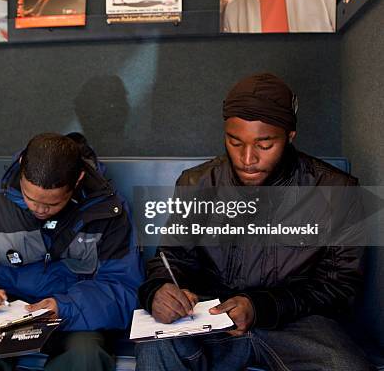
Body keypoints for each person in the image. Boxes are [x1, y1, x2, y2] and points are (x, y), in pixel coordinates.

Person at [136, 73, 370, 371]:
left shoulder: (337, 191)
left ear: (289, 136)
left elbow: (340, 287)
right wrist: (157, 289)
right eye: (235, 142)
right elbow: (171, 259)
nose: (247, 158)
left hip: (296, 322)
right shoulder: (196, 183)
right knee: (155, 344)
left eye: (265, 144)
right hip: (212, 317)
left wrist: (261, 306)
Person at [0, 132, 143, 371]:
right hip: (5, 315)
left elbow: (125, 288)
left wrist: (65, 307)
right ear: (22, 167)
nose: (40, 210)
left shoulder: (108, 210)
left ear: (78, 180)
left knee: (84, 358)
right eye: (29, 198)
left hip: (75, 318)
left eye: (53, 203)